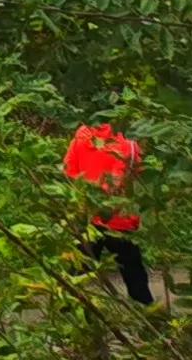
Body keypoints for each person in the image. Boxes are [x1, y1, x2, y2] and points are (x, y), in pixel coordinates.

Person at [62, 121, 154, 305]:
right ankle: (148, 312)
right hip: (119, 217)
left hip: (86, 215)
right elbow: (134, 171)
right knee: (131, 268)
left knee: (80, 269)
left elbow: (69, 170)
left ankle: (69, 311)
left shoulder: (81, 137)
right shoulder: (128, 142)